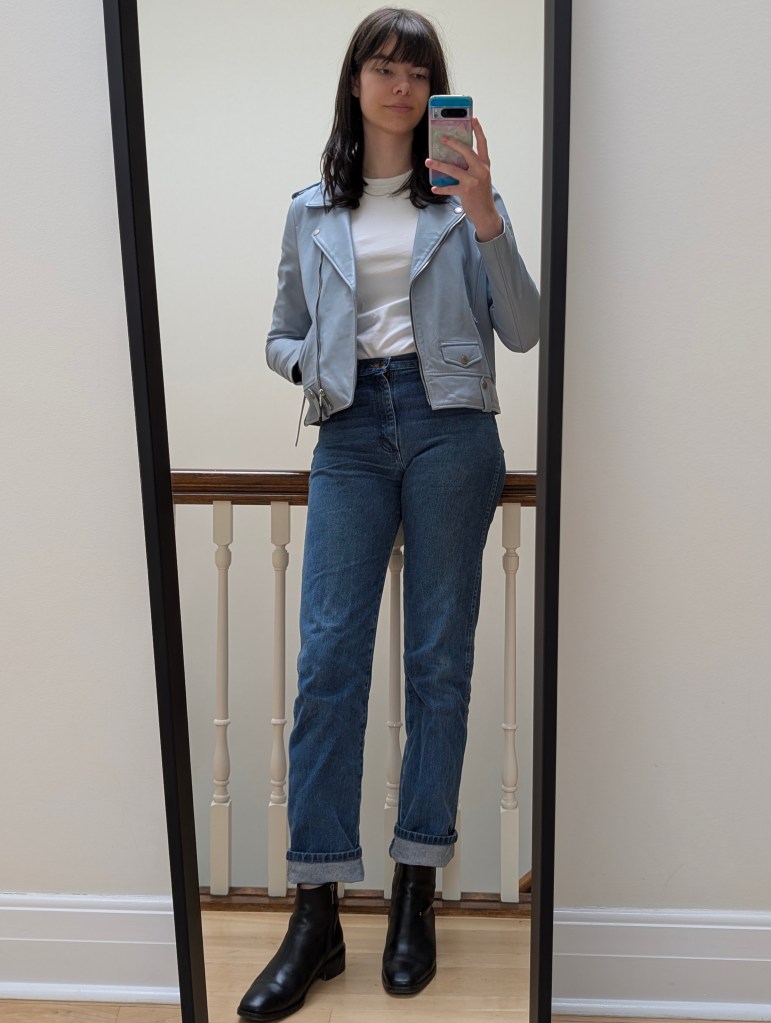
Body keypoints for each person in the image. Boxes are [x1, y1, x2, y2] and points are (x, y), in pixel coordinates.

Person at [237, 7, 539, 1021]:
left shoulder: (463, 199)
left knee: (438, 662)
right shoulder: (310, 211)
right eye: (384, 67)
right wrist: (315, 369)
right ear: (356, 83)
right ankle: (315, 913)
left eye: (418, 72)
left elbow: (524, 328)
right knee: (328, 662)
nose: (401, 86)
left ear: (436, 90)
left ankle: (416, 888)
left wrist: (486, 213)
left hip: (452, 425)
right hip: (350, 430)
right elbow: (279, 333)